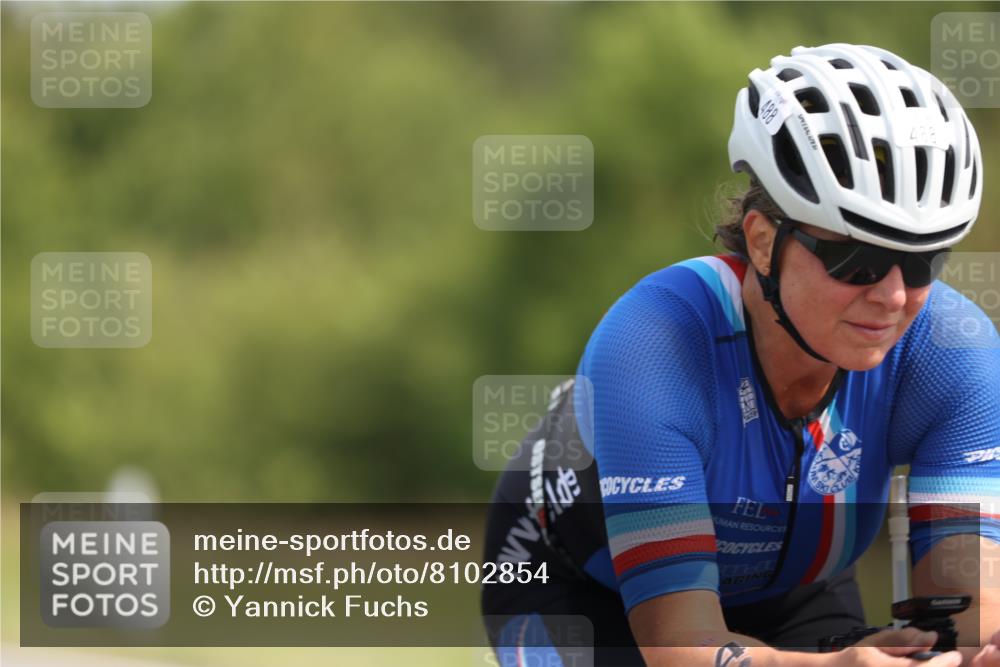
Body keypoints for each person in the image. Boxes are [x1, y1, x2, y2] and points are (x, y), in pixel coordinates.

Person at [480, 43, 1000, 667]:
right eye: (856, 259)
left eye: (922, 262)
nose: (892, 294)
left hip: (796, 588)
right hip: (581, 589)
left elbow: (969, 609)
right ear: (761, 241)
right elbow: (682, 650)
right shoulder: (651, 344)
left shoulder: (952, 352)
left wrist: (971, 649)